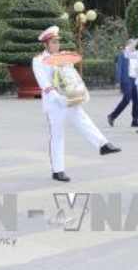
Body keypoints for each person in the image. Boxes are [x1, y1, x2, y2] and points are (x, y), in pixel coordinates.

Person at [32, 26, 121, 182]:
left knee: (84, 120)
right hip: (55, 103)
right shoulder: (39, 60)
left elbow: (72, 76)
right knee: (57, 135)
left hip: (70, 98)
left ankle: (103, 144)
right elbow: (43, 82)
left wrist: (82, 91)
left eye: (58, 42)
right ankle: (58, 170)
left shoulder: (64, 57)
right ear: (46, 44)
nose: (57, 45)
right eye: (53, 42)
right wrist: (56, 96)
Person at [107, 38, 138, 128]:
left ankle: (135, 120)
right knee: (127, 99)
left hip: (136, 80)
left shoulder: (137, 54)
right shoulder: (123, 55)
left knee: (137, 101)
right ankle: (112, 116)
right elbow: (119, 68)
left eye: (133, 43)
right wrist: (118, 81)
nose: (131, 45)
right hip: (126, 80)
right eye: (130, 43)